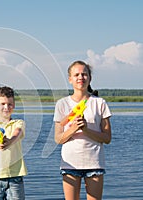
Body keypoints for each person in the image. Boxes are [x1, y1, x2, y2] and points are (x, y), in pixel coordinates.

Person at [54, 60, 112, 200]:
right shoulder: (62, 104)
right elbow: (58, 139)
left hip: (94, 164)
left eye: (84, 74)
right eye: (77, 75)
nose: (81, 77)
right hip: (70, 163)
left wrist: (86, 130)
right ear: (70, 79)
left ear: (90, 78)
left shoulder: (99, 103)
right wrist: (73, 129)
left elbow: (107, 138)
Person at [0, 86, 27, 200]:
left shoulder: (19, 122)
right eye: (2, 104)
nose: (6, 107)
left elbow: (17, 133)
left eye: (10, 104)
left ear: (14, 106)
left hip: (15, 177)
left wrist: (10, 141)